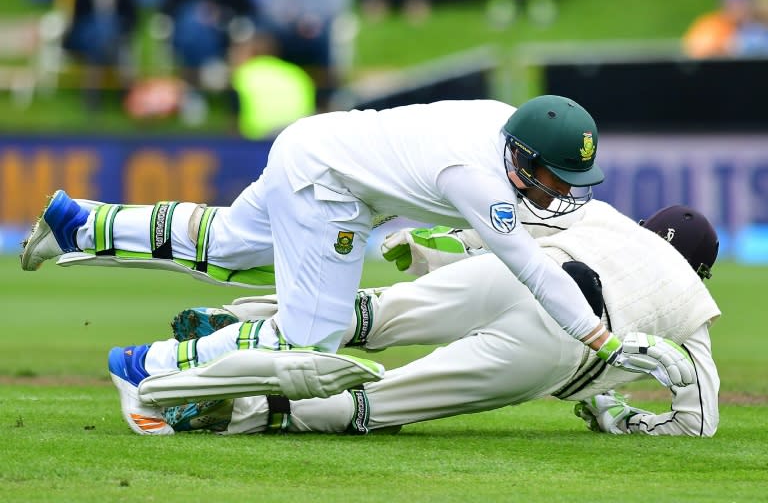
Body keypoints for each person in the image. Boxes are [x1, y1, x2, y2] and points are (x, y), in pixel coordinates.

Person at [20, 96, 694, 435]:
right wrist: (607, 341)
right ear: (518, 158)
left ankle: (80, 223)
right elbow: (534, 268)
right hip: (333, 188)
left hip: (320, 146)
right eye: (551, 176)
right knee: (313, 338)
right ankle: (146, 370)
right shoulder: (479, 177)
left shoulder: (503, 123)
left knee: (230, 249)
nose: (558, 190)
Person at [149, 202, 720, 437]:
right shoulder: (694, 302)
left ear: (648, 226)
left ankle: (231, 327)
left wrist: (439, 248)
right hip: (557, 344)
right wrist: (621, 417)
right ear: (702, 269)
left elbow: (511, 221)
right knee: (379, 402)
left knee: (368, 316)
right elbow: (698, 424)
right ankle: (248, 408)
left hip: (524, 274)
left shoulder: (609, 220)